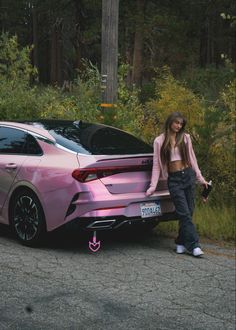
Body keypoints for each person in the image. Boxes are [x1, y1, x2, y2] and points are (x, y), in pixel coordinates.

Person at [146, 112, 208, 257]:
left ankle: (180, 241)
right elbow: (156, 164)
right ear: (170, 122)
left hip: (188, 176)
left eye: (181, 124)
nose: (179, 126)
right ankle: (194, 245)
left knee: (188, 212)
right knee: (184, 213)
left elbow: (193, 159)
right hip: (174, 180)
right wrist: (153, 186)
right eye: (176, 123)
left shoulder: (185, 138)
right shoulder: (159, 141)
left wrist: (200, 178)